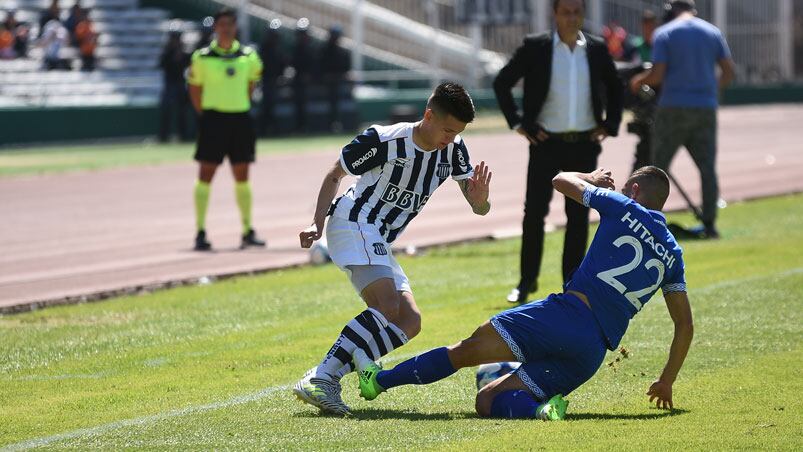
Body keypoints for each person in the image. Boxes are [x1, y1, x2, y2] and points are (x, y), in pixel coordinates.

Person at [355, 166, 693, 421]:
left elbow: (560, 179)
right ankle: (541, 411)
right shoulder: (673, 254)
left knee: (465, 351)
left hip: (561, 317)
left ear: (634, 190)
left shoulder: (623, 206)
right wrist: (665, 381)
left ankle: (378, 381)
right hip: (591, 351)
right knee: (487, 401)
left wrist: (590, 177)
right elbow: (684, 326)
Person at [293, 82, 493, 416]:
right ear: (428, 115)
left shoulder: (455, 150)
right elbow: (335, 173)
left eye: (457, 132)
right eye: (447, 129)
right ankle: (322, 375)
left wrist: (481, 202)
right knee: (386, 305)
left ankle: (338, 370)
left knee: (409, 320)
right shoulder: (384, 140)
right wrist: (315, 223)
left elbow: (478, 207)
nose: (451, 138)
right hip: (353, 222)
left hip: (378, 238)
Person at [493, 0, 624, 304]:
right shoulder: (535, 46)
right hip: (545, 143)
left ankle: (572, 284)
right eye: (565, 12)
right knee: (534, 213)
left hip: (584, 144)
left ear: (583, 14)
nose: (572, 17)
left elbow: (616, 88)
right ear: (555, 14)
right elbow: (502, 82)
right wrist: (518, 123)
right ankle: (526, 283)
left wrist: (609, 124)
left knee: (578, 216)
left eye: (577, 11)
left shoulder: (596, 48)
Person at [630, 0, 735, 239]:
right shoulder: (712, 31)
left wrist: (638, 81)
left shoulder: (665, 33)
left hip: (673, 108)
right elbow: (729, 72)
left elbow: (657, 75)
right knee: (707, 168)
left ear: (670, 12)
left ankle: (648, 223)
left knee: (656, 168)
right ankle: (709, 224)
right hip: (705, 108)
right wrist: (711, 93)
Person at [188, 8, 266, 251]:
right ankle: (200, 232)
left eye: (230, 25)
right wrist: (207, 115)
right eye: (222, 25)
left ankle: (247, 230)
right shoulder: (202, 57)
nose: (226, 29)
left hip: (240, 120)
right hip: (214, 120)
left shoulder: (248, 56)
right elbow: (195, 89)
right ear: (215, 28)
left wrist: (238, 104)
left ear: (235, 28)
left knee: (242, 175)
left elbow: (252, 84)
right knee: (206, 174)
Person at [623, 10, 659, 172]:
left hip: (658, 101)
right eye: (646, 25)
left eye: (651, 25)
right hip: (639, 101)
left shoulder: (660, 46)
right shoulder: (635, 47)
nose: (648, 29)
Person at [159, 28, 191, 142]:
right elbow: (161, 64)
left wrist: (181, 55)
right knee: (166, 110)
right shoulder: (167, 52)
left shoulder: (183, 52)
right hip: (169, 84)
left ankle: (183, 135)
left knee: (182, 111)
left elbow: (190, 63)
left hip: (180, 84)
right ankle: (164, 136)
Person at [319, 25, 351, 132]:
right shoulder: (323, 50)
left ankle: (339, 123)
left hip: (339, 82)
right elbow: (320, 67)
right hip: (326, 83)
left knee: (338, 100)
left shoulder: (343, 52)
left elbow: (346, 68)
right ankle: (330, 124)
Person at [258, 19, 286, 137]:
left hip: (275, 81)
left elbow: (282, 65)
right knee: (266, 106)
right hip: (265, 81)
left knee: (273, 106)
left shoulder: (279, 49)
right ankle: (265, 129)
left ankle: (273, 128)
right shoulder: (263, 49)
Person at [290, 18, 312, 133]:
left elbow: (314, 66)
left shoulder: (311, 49)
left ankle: (306, 126)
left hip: (308, 83)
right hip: (298, 81)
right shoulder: (295, 49)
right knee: (298, 105)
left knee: (306, 106)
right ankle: (299, 127)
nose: (302, 37)